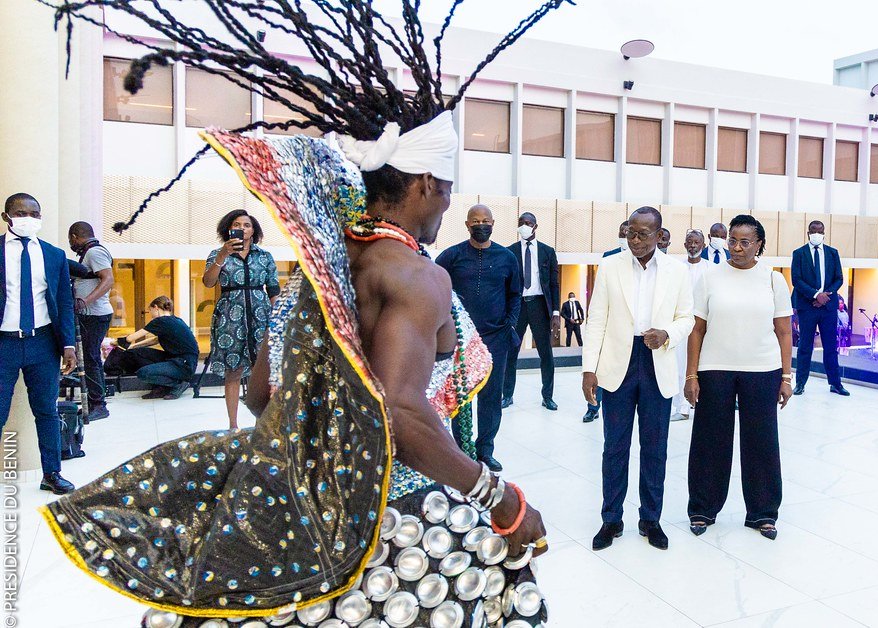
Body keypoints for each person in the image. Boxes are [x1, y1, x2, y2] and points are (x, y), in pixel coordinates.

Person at [42, 2, 565, 625]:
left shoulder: (320, 266)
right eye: (448, 192)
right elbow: (401, 412)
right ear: (425, 181)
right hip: (393, 511)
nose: (448, 209)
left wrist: (327, 453)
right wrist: (501, 499)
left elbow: (264, 392)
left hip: (306, 500)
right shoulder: (418, 275)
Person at [584, 207, 695, 552]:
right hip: (617, 363)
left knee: (655, 448)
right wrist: (590, 369)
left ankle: (651, 519)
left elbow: (687, 317)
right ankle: (611, 518)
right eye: (631, 233)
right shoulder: (610, 266)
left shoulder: (676, 271)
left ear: (660, 236)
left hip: (656, 360)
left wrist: (668, 334)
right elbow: (597, 319)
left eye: (643, 234)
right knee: (614, 447)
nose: (634, 240)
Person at [685, 214, 793, 541]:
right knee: (709, 440)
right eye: (733, 240)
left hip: (762, 370)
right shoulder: (710, 277)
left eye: (745, 242)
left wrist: (787, 377)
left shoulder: (773, 280)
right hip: (715, 368)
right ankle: (703, 508)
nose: (737, 247)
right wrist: (691, 374)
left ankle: (762, 513)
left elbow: (784, 332)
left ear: (760, 245)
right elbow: (697, 330)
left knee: (761, 442)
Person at [0, 193, 76, 495]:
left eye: (35, 213)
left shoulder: (54, 255)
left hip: (43, 344)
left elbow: (64, 302)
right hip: (3, 343)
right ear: (7, 217)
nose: (29, 218)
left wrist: (68, 344)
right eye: (22, 213)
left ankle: (52, 473)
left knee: (47, 410)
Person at [436, 204, 521, 472]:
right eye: (476, 221)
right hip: (461, 338)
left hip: (496, 338)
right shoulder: (451, 256)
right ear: (467, 224)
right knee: (462, 396)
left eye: (485, 220)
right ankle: (463, 452)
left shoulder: (507, 257)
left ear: (493, 223)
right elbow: (437, 288)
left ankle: (486, 450)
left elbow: (515, 295)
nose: (480, 225)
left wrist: (509, 326)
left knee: (491, 396)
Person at [203, 209, 280, 429]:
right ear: (229, 229)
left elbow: (273, 288)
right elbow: (208, 282)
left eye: (247, 225)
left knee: (262, 371)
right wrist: (222, 257)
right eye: (237, 224)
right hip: (230, 317)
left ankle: (261, 424)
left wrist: (280, 316)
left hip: (261, 315)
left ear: (253, 230)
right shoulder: (217, 253)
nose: (242, 228)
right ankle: (233, 426)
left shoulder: (264, 256)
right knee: (233, 371)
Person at [503, 211, 560, 411]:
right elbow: (505, 284)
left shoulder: (547, 251)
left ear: (535, 226)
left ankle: (548, 396)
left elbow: (554, 284)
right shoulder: (509, 252)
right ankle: (507, 395)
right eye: (521, 223)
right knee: (511, 352)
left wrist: (555, 313)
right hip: (518, 306)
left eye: (528, 223)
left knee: (546, 354)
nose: (524, 226)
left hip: (539, 306)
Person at [790, 220, 849, 396]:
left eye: (820, 231)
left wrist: (825, 296)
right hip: (807, 307)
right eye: (814, 231)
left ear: (824, 233)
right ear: (808, 233)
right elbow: (796, 279)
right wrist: (816, 295)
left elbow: (839, 278)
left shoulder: (832, 253)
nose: (817, 234)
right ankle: (800, 383)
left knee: (831, 347)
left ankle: (835, 383)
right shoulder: (799, 253)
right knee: (805, 347)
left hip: (828, 308)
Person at [583, 222, 631, 423]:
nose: (626, 236)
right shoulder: (608, 257)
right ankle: (593, 406)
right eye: (623, 232)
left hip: (629, 329)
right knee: (601, 367)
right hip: (608, 323)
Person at [67, 221, 114, 421]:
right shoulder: (88, 253)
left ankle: (98, 404)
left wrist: (85, 301)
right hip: (90, 314)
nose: (71, 242)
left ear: (75, 236)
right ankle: (95, 402)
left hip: (95, 315)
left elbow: (108, 279)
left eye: (71, 239)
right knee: (88, 358)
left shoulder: (94, 252)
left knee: (91, 359)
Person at [120, 296, 200, 399]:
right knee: (138, 352)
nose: (151, 314)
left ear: (156, 308)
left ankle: (178, 384)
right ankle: (163, 386)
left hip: (184, 364)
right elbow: (155, 340)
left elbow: (130, 338)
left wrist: (116, 342)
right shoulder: (175, 320)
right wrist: (134, 347)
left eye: (151, 310)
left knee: (143, 373)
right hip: (182, 360)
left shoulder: (161, 321)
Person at [671, 229, 710, 421]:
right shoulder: (676, 268)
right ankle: (681, 406)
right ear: (685, 244)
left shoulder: (711, 269)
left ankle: (699, 403)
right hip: (681, 324)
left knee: (702, 365)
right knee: (680, 365)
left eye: (696, 242)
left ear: (703, 245)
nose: (693, 246)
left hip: (703, 326)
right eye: (689, 242)